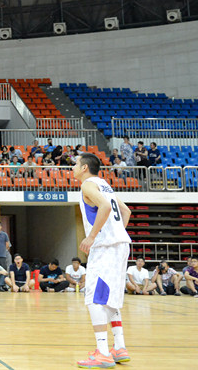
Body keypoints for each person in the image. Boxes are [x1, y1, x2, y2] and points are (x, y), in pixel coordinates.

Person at [73, 152, 132, 368]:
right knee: (110, 298)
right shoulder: (105, 185)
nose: (73, 167)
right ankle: (119, 347)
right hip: (120, 245)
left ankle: (103, 353)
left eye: (76, 164)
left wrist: (92, 236)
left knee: (95, 298)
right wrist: (115, 233)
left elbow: (106, 208)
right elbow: (126, 211)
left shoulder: (88, 185)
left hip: (106, 248)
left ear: (84, 168)